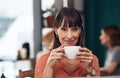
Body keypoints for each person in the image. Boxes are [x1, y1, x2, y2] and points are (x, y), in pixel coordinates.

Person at [35, 7, 100, 78]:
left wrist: (89, 69)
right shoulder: (43, 60)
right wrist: (49, 66)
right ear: (56, 31)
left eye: (74, 29)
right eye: (64, 29)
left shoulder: (91, 59)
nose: (69, 36)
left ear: (80, 31)